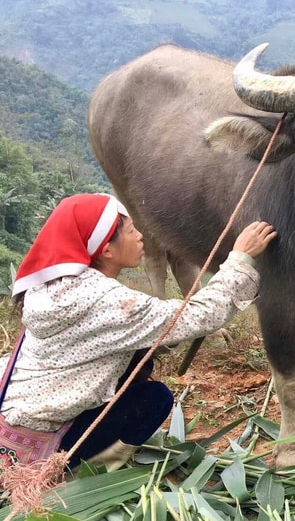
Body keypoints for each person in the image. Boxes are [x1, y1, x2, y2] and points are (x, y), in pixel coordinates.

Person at [0, 193, 276, 471]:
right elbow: (201, 314)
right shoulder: (104, 301)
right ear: (106, 250)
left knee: (139, 359)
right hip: (42, 438)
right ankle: (79, 472)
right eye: (131, 230)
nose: (141, 236)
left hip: (15, 411)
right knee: (154, 400)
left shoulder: (50, 286)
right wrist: (241, 258)